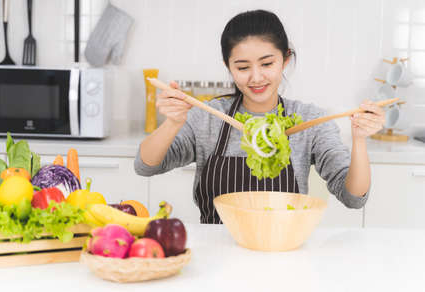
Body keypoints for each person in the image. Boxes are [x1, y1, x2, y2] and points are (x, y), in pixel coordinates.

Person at [134, 10, 385, 224]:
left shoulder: (310, 121)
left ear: (285, 60)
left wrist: (359, 139)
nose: (256, 77)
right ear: (228, 66)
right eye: (243, 67)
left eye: (267, 64)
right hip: (217, 254)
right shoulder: (210, 117)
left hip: (283, 253)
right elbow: (145, 166)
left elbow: (354, 197)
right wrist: (173, 122)